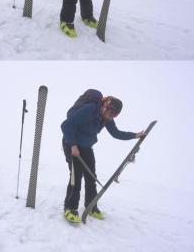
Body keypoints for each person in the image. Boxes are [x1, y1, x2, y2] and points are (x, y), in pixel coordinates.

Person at [60, 89, 145, 223]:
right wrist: (73, 145)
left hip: (86, 147)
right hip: (72, 143)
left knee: (91, 177)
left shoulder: (106, 119)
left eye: (113, 115)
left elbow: (116, 133)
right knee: (75, 177)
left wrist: (135, 135)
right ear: (104, 105)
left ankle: (91, 207)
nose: (109, 116)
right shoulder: (89, 109)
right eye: (108, 112)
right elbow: (66, 125)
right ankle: (70, 208)